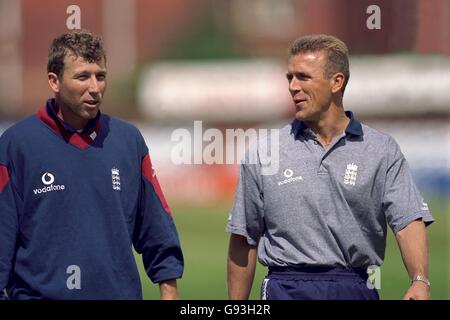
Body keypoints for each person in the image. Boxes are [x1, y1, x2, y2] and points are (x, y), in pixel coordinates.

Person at [226, 34, 434, 300]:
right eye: (289, 77)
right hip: (285, 288)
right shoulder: (263, 152)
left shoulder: (382, 149)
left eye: (303, 77)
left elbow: (407, 220)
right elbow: (244, 238)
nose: (292, 86)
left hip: (356, 286)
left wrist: (419, 280)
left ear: (337, 82)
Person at [0, 30, 183, 300]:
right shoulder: (17, 145)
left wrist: (169, 291)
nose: (95, 88)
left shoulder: (128, 141)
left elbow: (155, 225)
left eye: (101, 76)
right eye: (83, 76)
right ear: (54, 81)